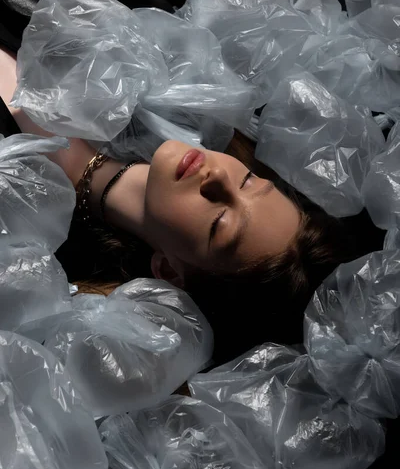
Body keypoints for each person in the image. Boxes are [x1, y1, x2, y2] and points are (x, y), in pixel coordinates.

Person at [0, 45, 384, 362]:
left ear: (169, 271)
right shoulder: (136, 71)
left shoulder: (19, 223)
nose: (219, 178)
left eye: (219, 225)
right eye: (249, 181)